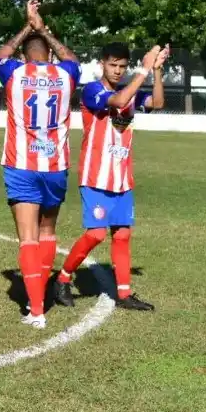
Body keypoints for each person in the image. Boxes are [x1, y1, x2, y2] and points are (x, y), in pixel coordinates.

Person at [54, 43, 167, 311]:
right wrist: (144, 69)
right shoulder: (93, 90)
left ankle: (125, 295)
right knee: (95, 235)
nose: (117, 71)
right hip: (95, 177)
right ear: (102, 64)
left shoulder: (129, 91)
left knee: (122, 235)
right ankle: (62, 278)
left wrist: (158, 72)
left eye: (122, 66)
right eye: (112, 65)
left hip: (122, 179)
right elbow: (117, 102)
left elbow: (158, 103)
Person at [0, 0, 81, 329]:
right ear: (49, 53)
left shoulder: (14, 72)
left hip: (22, 164)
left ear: (23, 54)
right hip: (55, 165)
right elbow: (74, 59)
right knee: (47, 231)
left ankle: (37, 310)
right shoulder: (64, 74)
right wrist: (43, 29)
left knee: (27, 237)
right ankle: (37, 298)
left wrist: (26, 27)